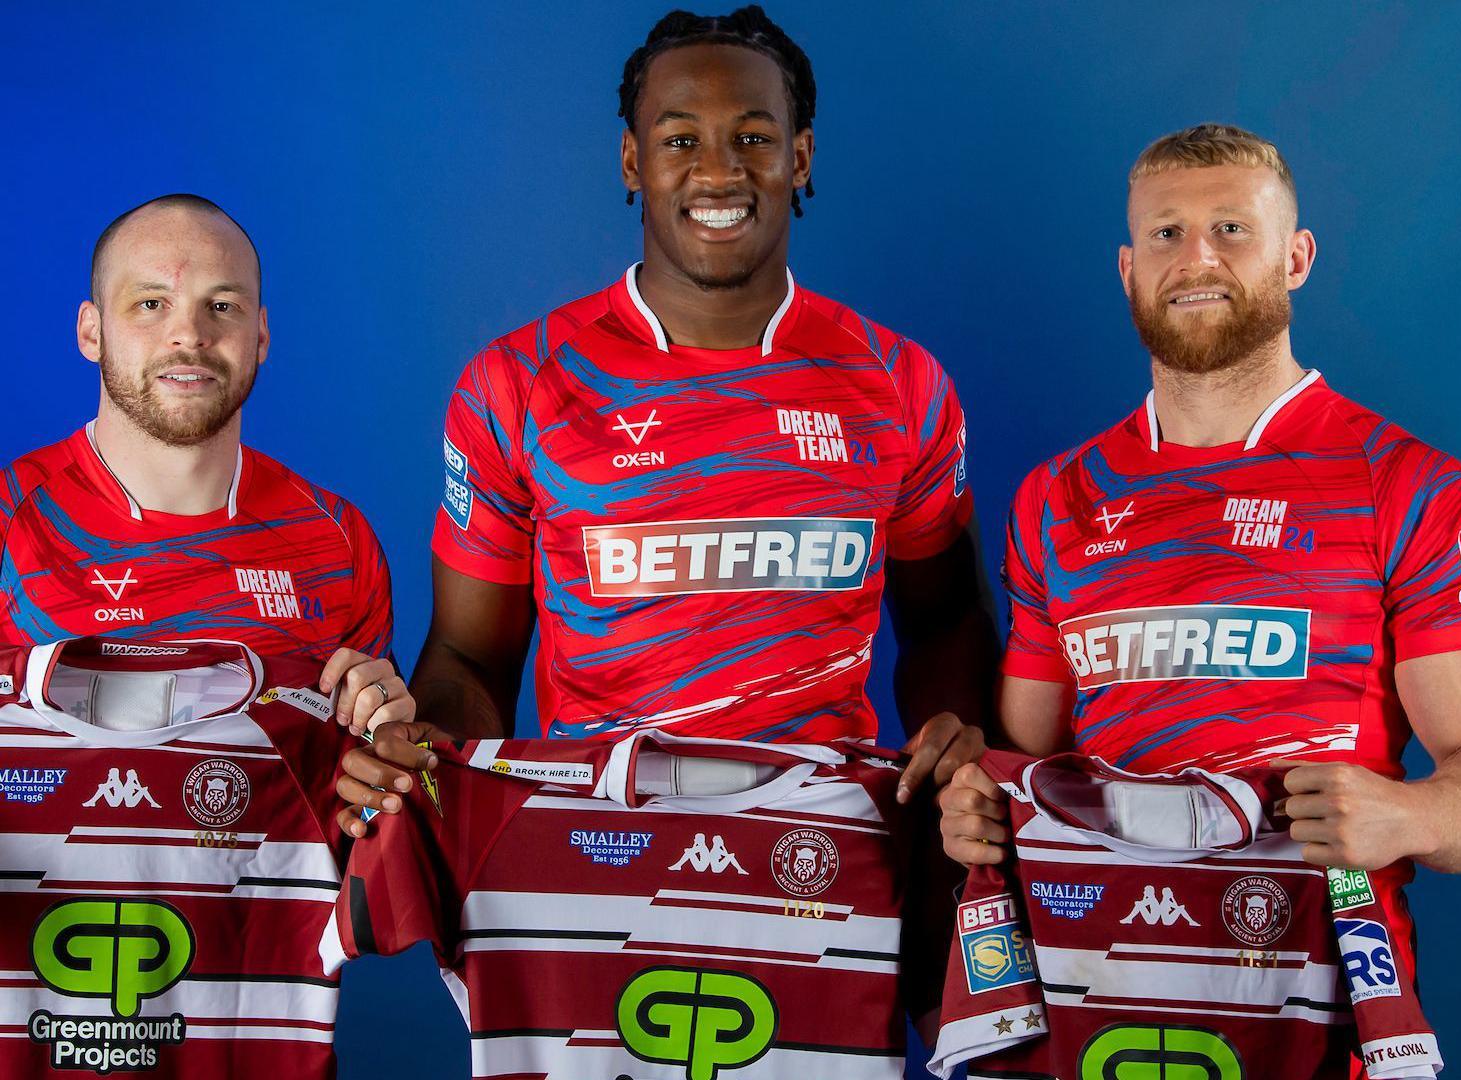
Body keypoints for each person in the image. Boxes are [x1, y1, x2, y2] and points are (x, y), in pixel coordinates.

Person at [332, 6, 997, 834]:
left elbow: (944, 625)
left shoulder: (902, 383)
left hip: (825, 846)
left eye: (753, 138)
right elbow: (472, 657)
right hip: (596, 837)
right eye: (680, 140)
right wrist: (422, 753)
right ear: (632, 161)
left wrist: (955, 738)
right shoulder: (517, 384)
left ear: (801, 157)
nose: (718, 174)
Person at [938, 124, 1461, 892]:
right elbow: (1023, 760)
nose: (1196, 259)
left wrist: (1414, 818)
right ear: (1128, 269)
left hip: (1315, 964)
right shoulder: (1057, 499)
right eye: (1166, 234)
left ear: (1296, 257)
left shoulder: (1411, 490)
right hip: (1095, 958)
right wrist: (976, 804)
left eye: (1231, 230)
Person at [0, 194, 410, 732]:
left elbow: (370, 770)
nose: (190, 334)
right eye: (151, 304)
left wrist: (387, 735)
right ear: (91, 332)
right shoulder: (12, 519)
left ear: (259, 335)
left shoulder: (338, 540)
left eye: (221, 306)